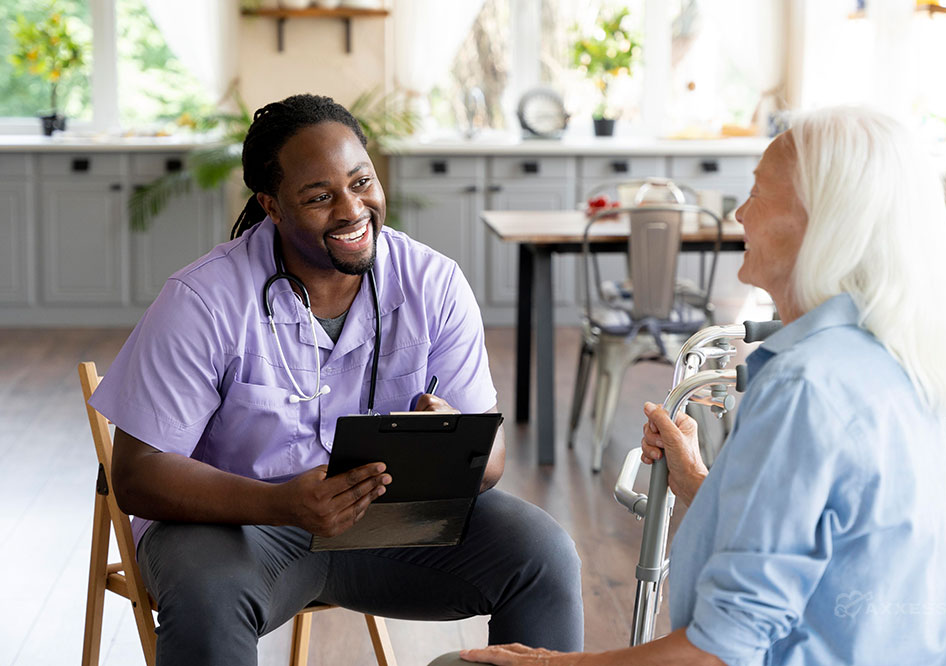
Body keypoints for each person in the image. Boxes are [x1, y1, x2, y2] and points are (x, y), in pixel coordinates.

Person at [458, 107, 946, 665]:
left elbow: (717, 654)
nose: (739, 213)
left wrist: (548, 664)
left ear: (821, 223)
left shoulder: (808, 387)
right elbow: (823, 543)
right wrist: (695, 483)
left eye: (757, 195)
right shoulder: (897, 360)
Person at [90, 93, 583, 665]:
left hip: (390, 524)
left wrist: (455, 440)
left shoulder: (433, 283)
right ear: (272, 206)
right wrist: (281, 504)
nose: (352, 210)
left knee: (542, 553)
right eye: (320, 197)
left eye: (361, 182)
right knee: (208, 593)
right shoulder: (204, 300)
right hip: (238, 527)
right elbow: (137, 475)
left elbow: (490, 459)